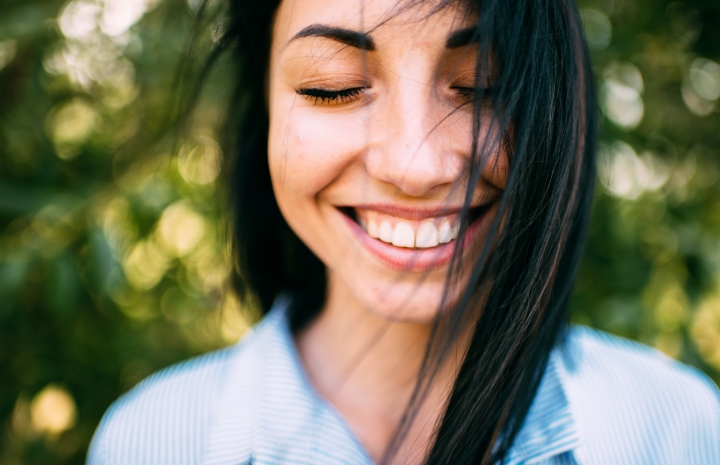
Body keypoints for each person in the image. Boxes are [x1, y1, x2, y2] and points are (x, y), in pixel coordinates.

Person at [87, 0, 720, 463]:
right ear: (268, 110)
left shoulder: (679, 432)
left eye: (482, 85)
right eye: (332, 88)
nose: (414, 167)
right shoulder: (152, 441)